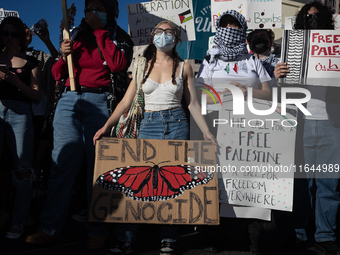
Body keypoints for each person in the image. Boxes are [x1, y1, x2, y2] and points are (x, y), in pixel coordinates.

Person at [93, 20, 216, 255]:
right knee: (136, 183)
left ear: (176, 39)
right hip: (146, 125)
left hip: (177, 125)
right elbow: (126, 101)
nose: (163, 35)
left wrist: (206, 132)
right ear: (152, 36)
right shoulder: (141, 65)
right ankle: (126, 238)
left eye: (169, 32)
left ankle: (168, 238)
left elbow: (192, 103)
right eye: (159, 31)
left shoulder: (184, 67)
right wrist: (107, 126)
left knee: (172, 184)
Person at [26, 0, 133, 249]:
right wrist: (63, 56)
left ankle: (97, 229)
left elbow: (118, 64)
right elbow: (57, 74)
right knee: (61, 165)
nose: (93, 12)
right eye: (90, 7)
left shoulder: (120, 37)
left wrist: (99, 32)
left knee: (97, 170)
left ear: (111, 11)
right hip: (69, 100)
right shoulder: (74, 35)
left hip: (101, 101)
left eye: (100, 7)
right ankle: (49, 227)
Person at [274, 2, 340, 255]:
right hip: (299, 124)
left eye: (317, 17)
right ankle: (299, 233)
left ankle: (325, 235)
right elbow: (278, 93)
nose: (312, 21)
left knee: (328, 183)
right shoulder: (289, 50)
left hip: (332, 124)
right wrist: (277, 76)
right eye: (307, 17)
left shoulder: (336, 49)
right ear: (301, 21)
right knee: (300, 184)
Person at [0, 16, 41, 239]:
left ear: (21, 36)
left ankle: (19, 221)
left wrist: (16, 82)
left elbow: (36, 96)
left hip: (21, 113)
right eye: (4, 34)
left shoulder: (30, 62)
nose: (9, 38)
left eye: (14, 34)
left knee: (23, 169)